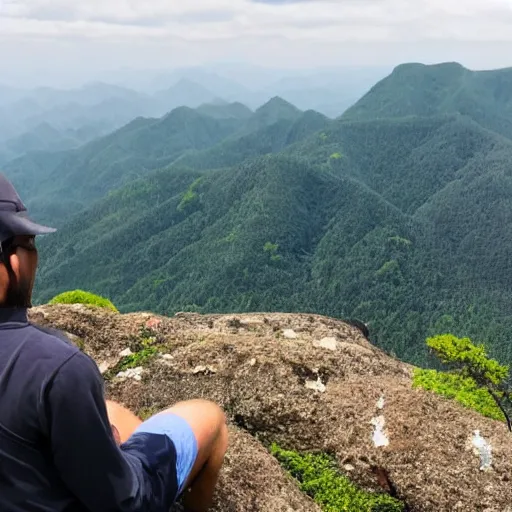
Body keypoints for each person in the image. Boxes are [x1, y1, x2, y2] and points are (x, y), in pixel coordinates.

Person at [0, 173, 228, 512]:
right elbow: (122, 502)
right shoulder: (56, 369)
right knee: (208, 416)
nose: (34, 257)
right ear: (12, 262)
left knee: (114, 413)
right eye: (28, 244)